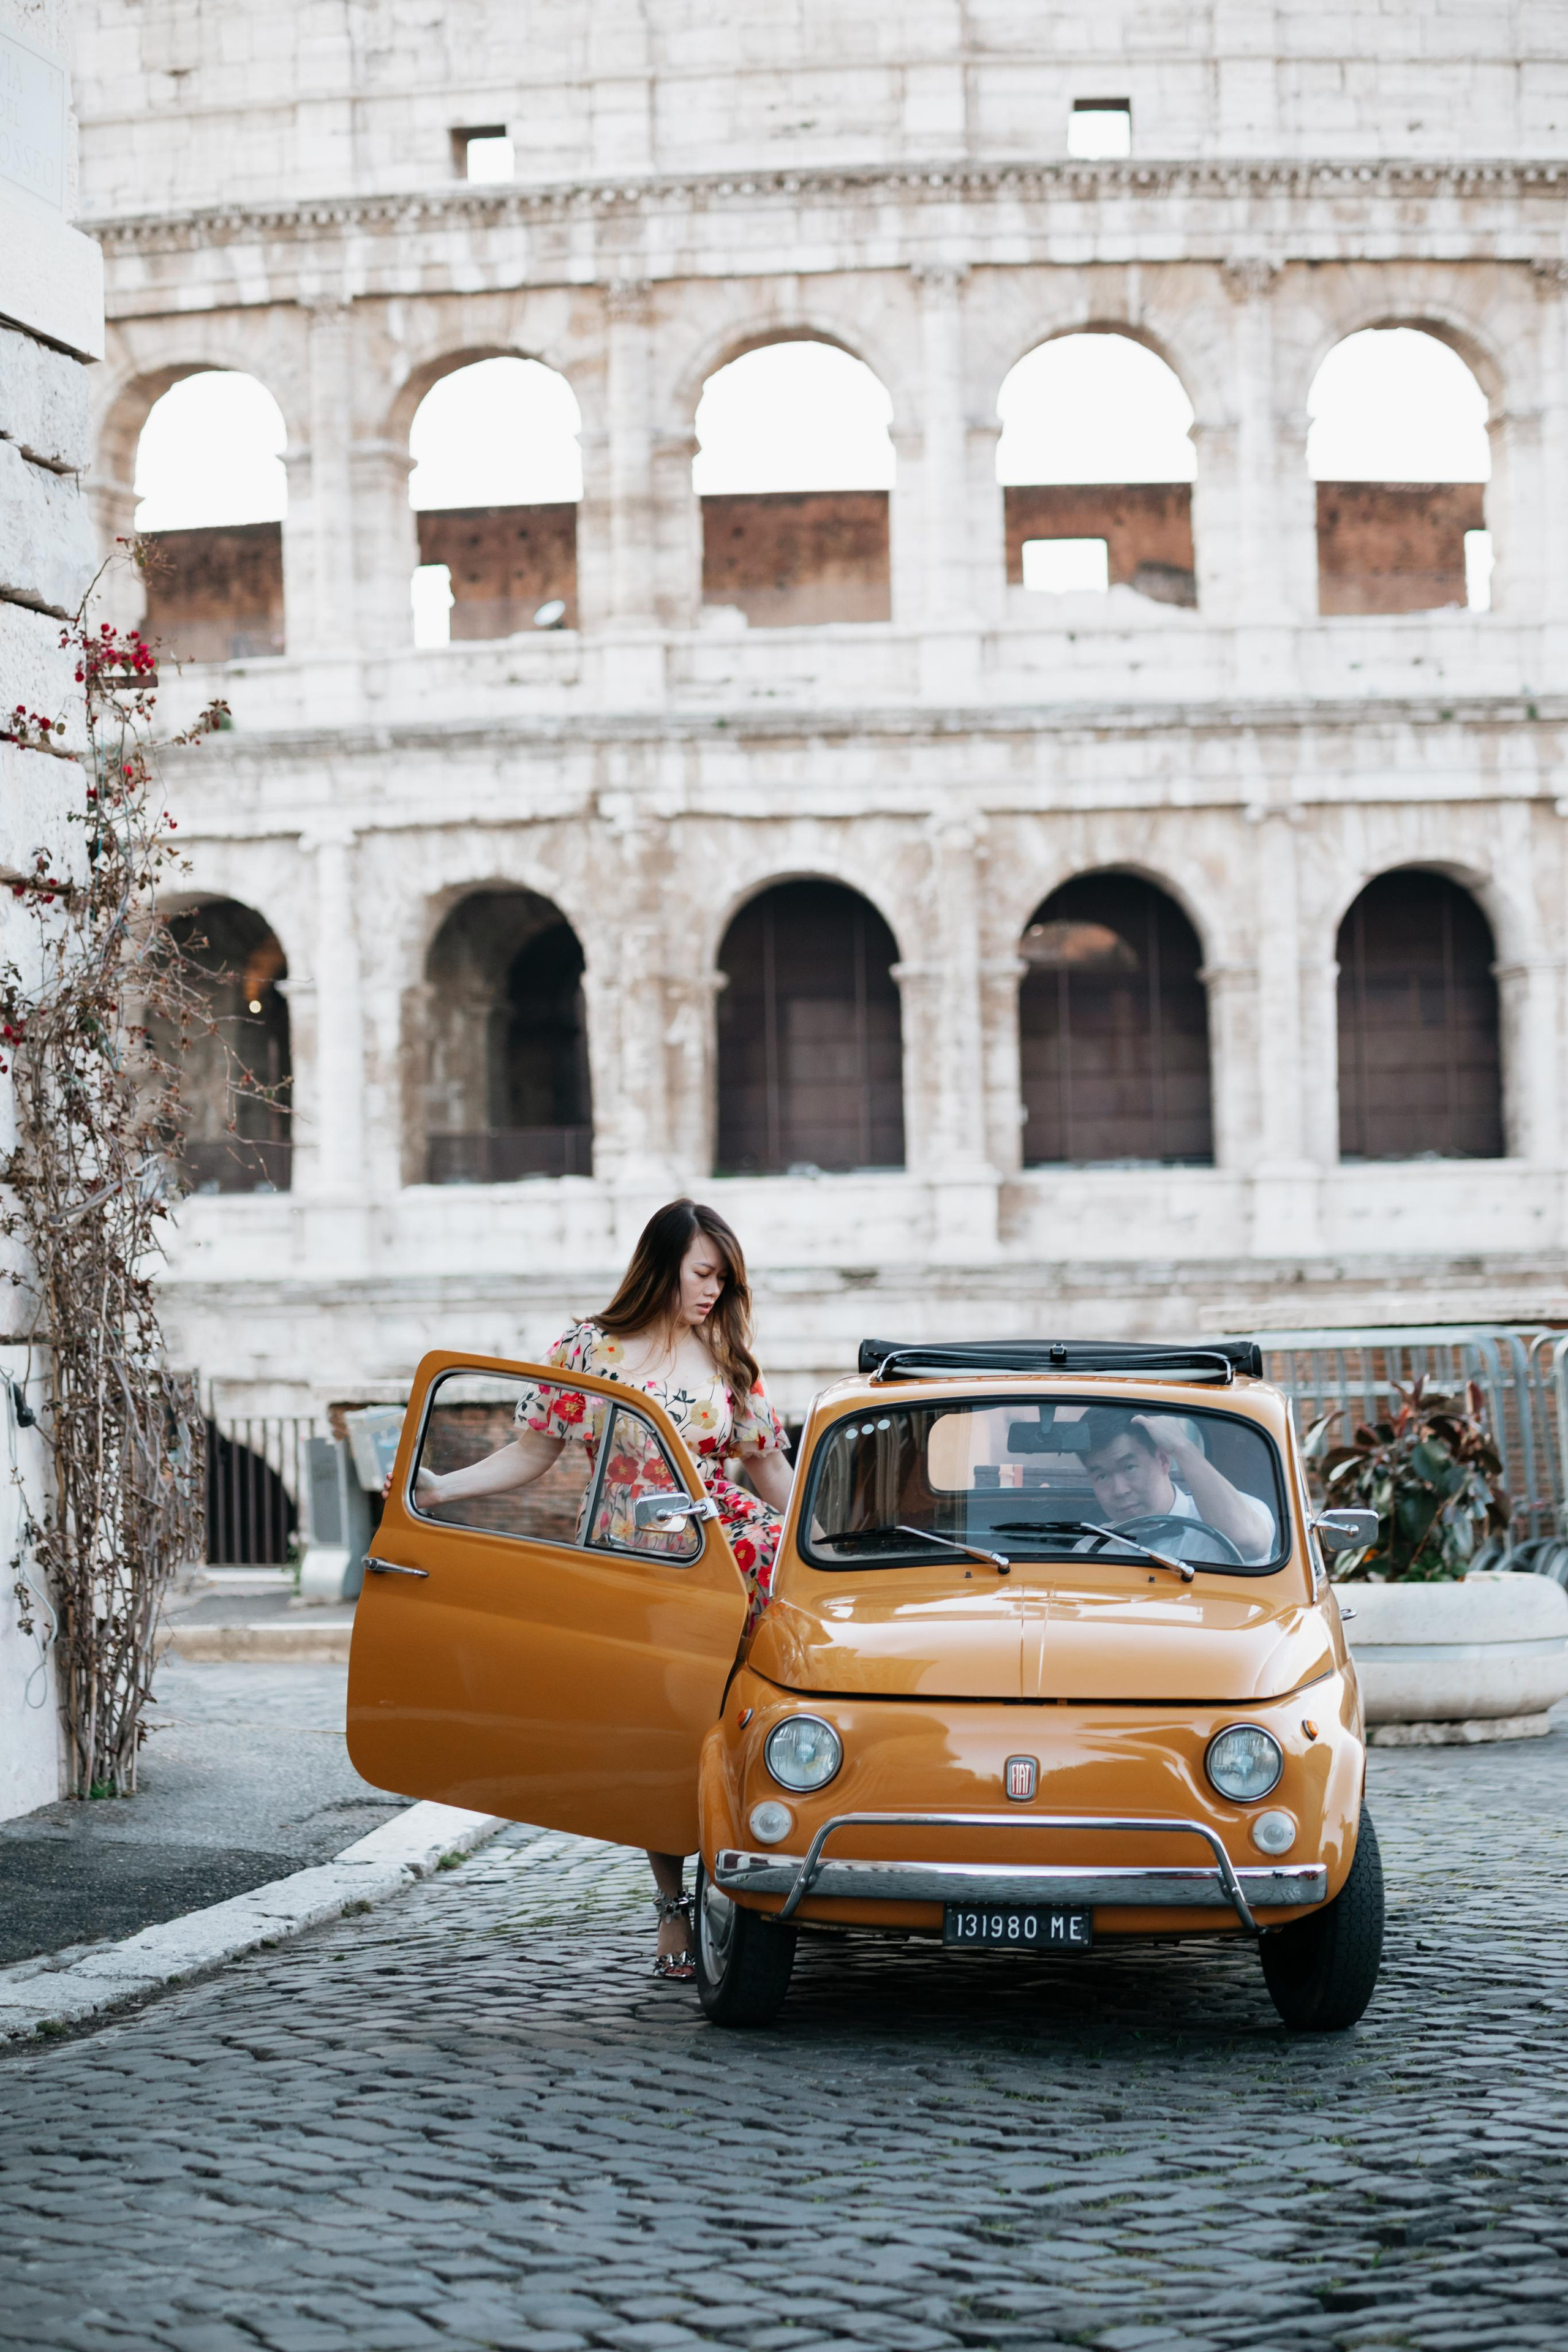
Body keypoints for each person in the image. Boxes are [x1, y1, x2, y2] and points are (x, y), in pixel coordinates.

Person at [409, 1198, 793, 1981]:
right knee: (664, 1738)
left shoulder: (726, 1358)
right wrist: (440, 1492)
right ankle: (671, 1908)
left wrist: (839, 1538)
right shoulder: (587, 1351)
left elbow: (773, 1477)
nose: (714, 1290)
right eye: (702, 1273)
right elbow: (530, 1455)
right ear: (661, 1266)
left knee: (745, 1722)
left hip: (730, 1560)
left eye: (724, 1278)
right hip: (636, 1568)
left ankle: (755, 1886)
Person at [1080, 1408, 1276, 1566]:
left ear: (1164, 1461)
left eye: (1129, 1467)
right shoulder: (1092, 1547)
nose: (1120, 1490)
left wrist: (1182, 1446)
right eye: (1102, 1476)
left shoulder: (1240, 1514)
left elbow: (1250, 1543)